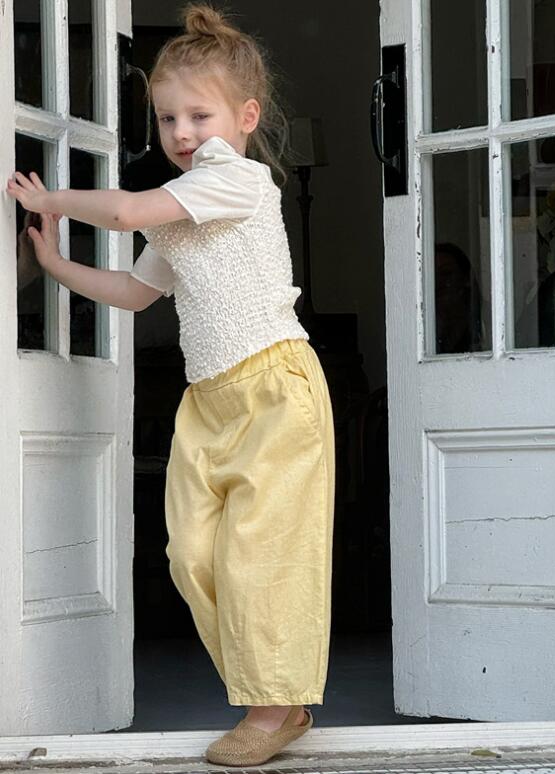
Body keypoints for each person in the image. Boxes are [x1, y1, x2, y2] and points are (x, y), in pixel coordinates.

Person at [6, 3, 335, 766]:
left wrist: (48, 200)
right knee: (190, 556)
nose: (181, 133)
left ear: (245, 117)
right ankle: (273, 695)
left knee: (260, 556)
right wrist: (55, 265)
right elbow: (134, 292)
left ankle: (272, 707)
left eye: (199, 115)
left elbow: (124, 211)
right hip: (208, 401)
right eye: (166, 118)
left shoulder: (238, 181)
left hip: (274, 391)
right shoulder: (183, 207)